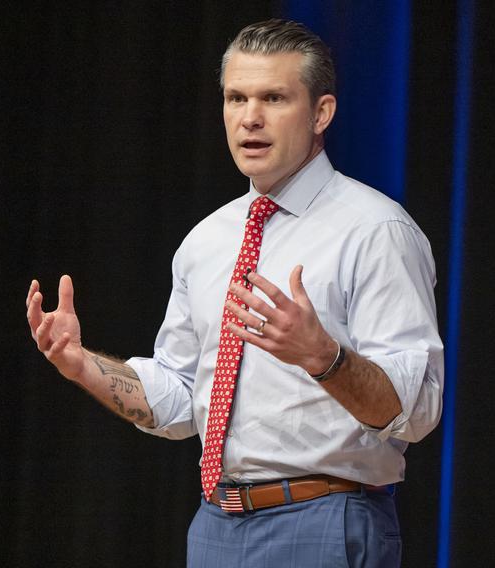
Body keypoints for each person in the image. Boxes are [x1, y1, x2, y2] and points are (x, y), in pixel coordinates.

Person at [26, 19, 443, 567]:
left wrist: (324, 358)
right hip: (216, 525)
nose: (250, 118)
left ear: (321, 113)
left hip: (322, 519)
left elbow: (418, 408)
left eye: (274, 98)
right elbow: (178, 399)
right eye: (236, 98)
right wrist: (83, 366)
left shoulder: (375, 231)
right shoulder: (207, 241)